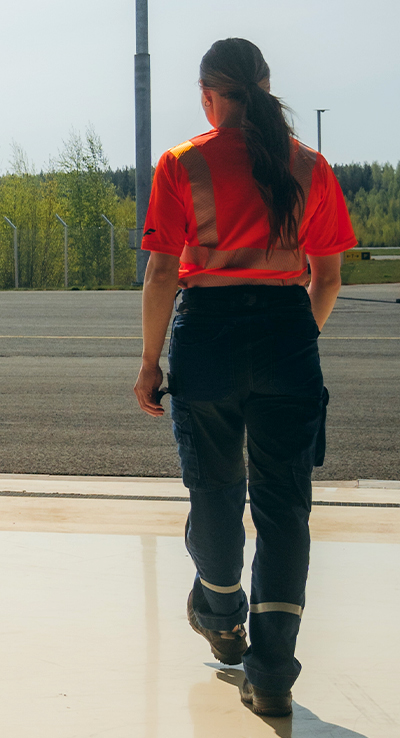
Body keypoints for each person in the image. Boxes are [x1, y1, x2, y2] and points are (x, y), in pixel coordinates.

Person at [133, 37, 356, 717]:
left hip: (207, 337)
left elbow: (164, 272)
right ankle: (271, 671)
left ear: (208, 94)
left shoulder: (181, 164)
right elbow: (329, 277)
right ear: (264, 85)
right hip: (288, 331)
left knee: (216, 489)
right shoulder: (309, 165)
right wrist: (292, 341)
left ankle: (223, 612)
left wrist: (149, 362)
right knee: (284, 507)